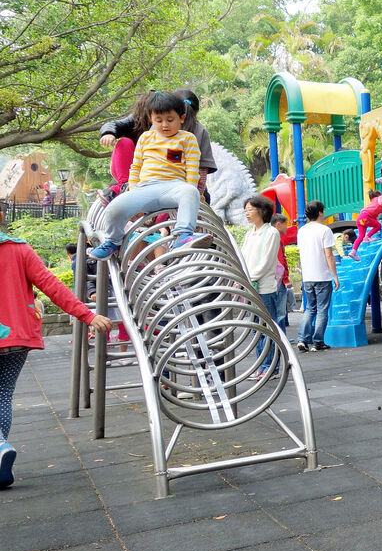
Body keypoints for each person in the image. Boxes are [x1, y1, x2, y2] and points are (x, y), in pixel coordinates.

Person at [0, 223, 112, 488]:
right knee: (3, 394)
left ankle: (0, 447)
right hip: (16, 336)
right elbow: (52, 287)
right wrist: (88, 315)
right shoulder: (19, 249)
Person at [89, 92, 209, 259]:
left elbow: (192, 168)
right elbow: (136, 166)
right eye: (159, 120)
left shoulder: (187, 138)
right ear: (151, 119)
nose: (164, 125)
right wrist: (133, 189)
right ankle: (112, 241)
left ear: (181, 118)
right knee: (114, 208)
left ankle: (183, 235)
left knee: (190, 191)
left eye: (170, 119)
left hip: (174, 187)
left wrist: (191, 188)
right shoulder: (146, 138)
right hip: (145, 187)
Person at [241, 195, 284, 378]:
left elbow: (267, 262)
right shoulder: (250, 233)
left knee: (267, 328)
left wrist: (250, 278)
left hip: (264, 287)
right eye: (245, 211)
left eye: (250, 210)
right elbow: (242, 258)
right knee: (256, 329)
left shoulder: (271, 233)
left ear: (262, 211)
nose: (247, 214)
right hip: (249, 286)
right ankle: (261, 365)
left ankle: (270, 367)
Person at [296, 201, 339, 352]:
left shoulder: (301, 231)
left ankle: (302, 339)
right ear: (320, 212)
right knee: (322, 310)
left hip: (308, 276)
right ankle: (318, 341)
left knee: (310, 308)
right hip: (322, 275)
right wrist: (335, 275)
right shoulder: (324, 230)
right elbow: (328, 254)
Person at [172, 89, 218, 199]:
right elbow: (202, 170)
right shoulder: (201, 131)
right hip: (190, 189)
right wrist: (199, 193)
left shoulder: (157, 127)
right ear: (196, 111)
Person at [347, 184, 382, 261]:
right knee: (378, 226)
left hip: (360, 219)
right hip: (366, 218)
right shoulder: (379, 199)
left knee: (360, 236)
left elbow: (374, 215)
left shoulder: (372, 202)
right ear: (379, 195)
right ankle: (367, 237)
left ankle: (353, 251)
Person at [270, 214, 295, 317]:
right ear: (278, 224)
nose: (287, 227)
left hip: (272, 279)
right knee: (279, 314)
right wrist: (285, 279)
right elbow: (280, 261)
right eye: (286, 224)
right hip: (278, 281)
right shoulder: (275, 238)